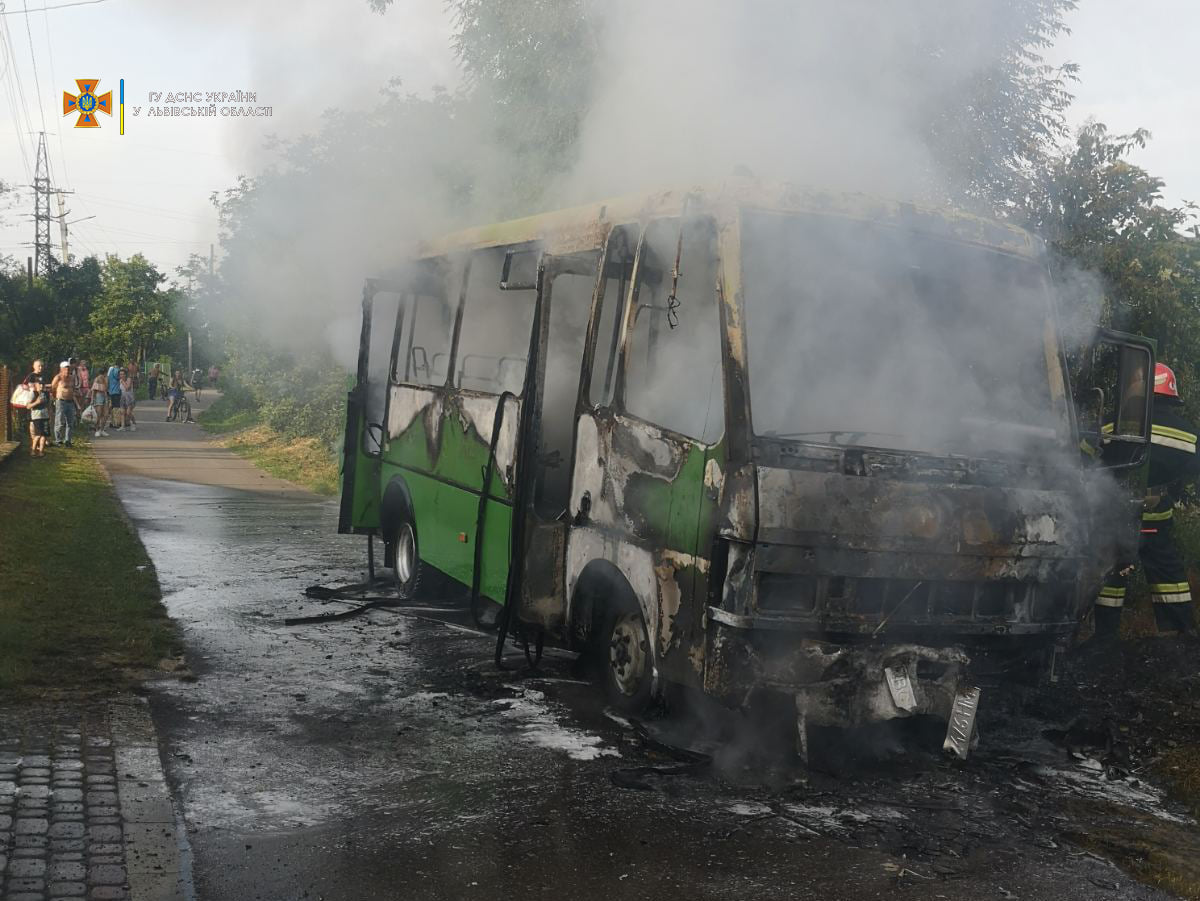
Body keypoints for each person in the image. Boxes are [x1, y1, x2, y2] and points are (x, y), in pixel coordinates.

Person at [1095, 362, 1200, 639]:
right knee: (1169, 574)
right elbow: (1193, 469)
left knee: (1111, 572)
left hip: (1118, 517)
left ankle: (1104, 637)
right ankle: (1179, 633)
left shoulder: (1115, 422)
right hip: (1157, 518)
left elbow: (1086, 454)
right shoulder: (1189, 434)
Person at [49, 361, 80, 447]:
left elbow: (73, 389)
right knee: (59, 421)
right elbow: (52, 388)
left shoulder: (72, 377)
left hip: (70, 402)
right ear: (61, 369)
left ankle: (68, 440)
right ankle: (58, 440)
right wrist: (55, 399)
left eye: (68, 368)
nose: (67, 370)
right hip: (61, 401)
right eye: (65, 368)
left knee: (70, 422)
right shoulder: (58, 377)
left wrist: (76, 402)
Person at [26, 370, 49, 457]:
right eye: (39, 384)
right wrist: (36, 402)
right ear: (35, 385)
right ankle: (33, 450)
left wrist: (49, 413)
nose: (41, 386)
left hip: (45, 416)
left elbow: (48, 405)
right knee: (38, 435)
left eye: (43, 384)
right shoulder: (33, 394)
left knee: (44, 435)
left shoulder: (46, 394)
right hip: (37, 416)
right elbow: (28, 406)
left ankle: (41, 452)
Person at [91, 370, 111, 436]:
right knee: (98, 415)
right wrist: (92, 399)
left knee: (106, 414)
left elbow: (106, 389)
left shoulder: (106, 379)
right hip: (98, 396)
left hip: (105, 396)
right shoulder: (97, 379)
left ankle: (102, 430)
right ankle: (97, 430)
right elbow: (94, 390)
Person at [107, 363, 125, 431]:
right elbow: (117, 377)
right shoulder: (116, 370)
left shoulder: (110, 370)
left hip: (111, 391)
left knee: (112, 407)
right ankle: (116, 423)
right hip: (116, 391)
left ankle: (112, 422)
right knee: (116, 408)